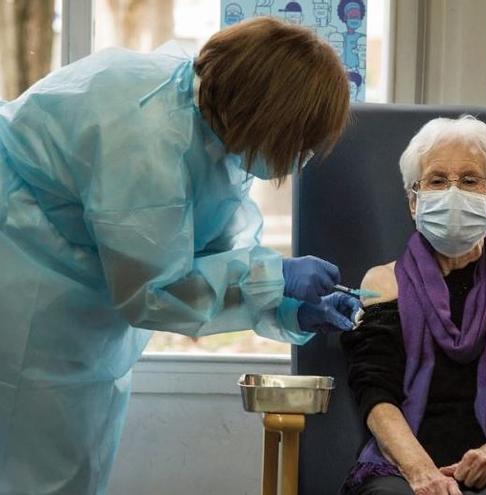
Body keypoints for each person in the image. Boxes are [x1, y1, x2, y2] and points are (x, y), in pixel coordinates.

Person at [0, 18, 358, 495]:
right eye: (299, 141)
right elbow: (156, 289)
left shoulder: (215, 128)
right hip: (26, 278)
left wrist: (288, 305)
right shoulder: (144, 136)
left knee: (72, 460)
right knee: (34, 466)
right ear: (263, 111)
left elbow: (211, 252)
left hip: (77, 296)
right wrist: (277, 276)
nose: (300, 156)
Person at [340, 116, 486, 495]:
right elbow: (374, 392)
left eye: (469, 180)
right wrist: (420, 471)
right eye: (436, 180)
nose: (452, 193)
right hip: (403, 461)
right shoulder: (384, 284)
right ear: (414, 202)